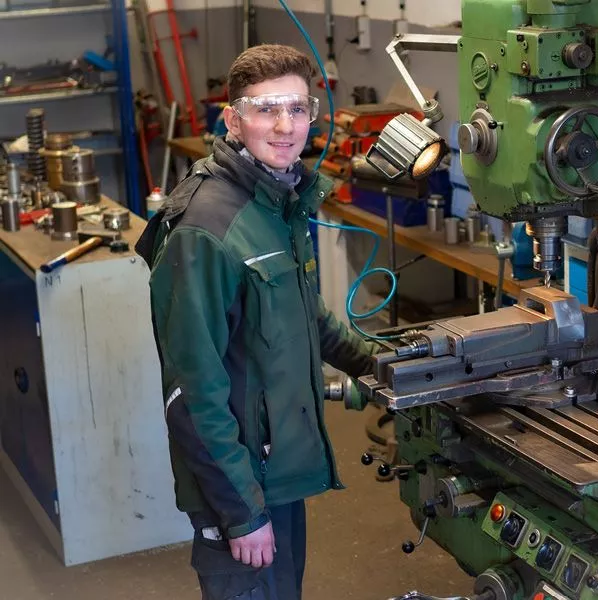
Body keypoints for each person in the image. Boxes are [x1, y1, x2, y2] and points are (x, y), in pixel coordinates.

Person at [135, 44, 380, 600]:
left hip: (277, 470)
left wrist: (379, 366)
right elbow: (192, 395)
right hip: (240, 484)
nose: (285, 126)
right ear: (233, 119)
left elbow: (304, 314)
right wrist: (242, 514)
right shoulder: (205, 229)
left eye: (297, 108)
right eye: (265, 109)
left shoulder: (276, 202)